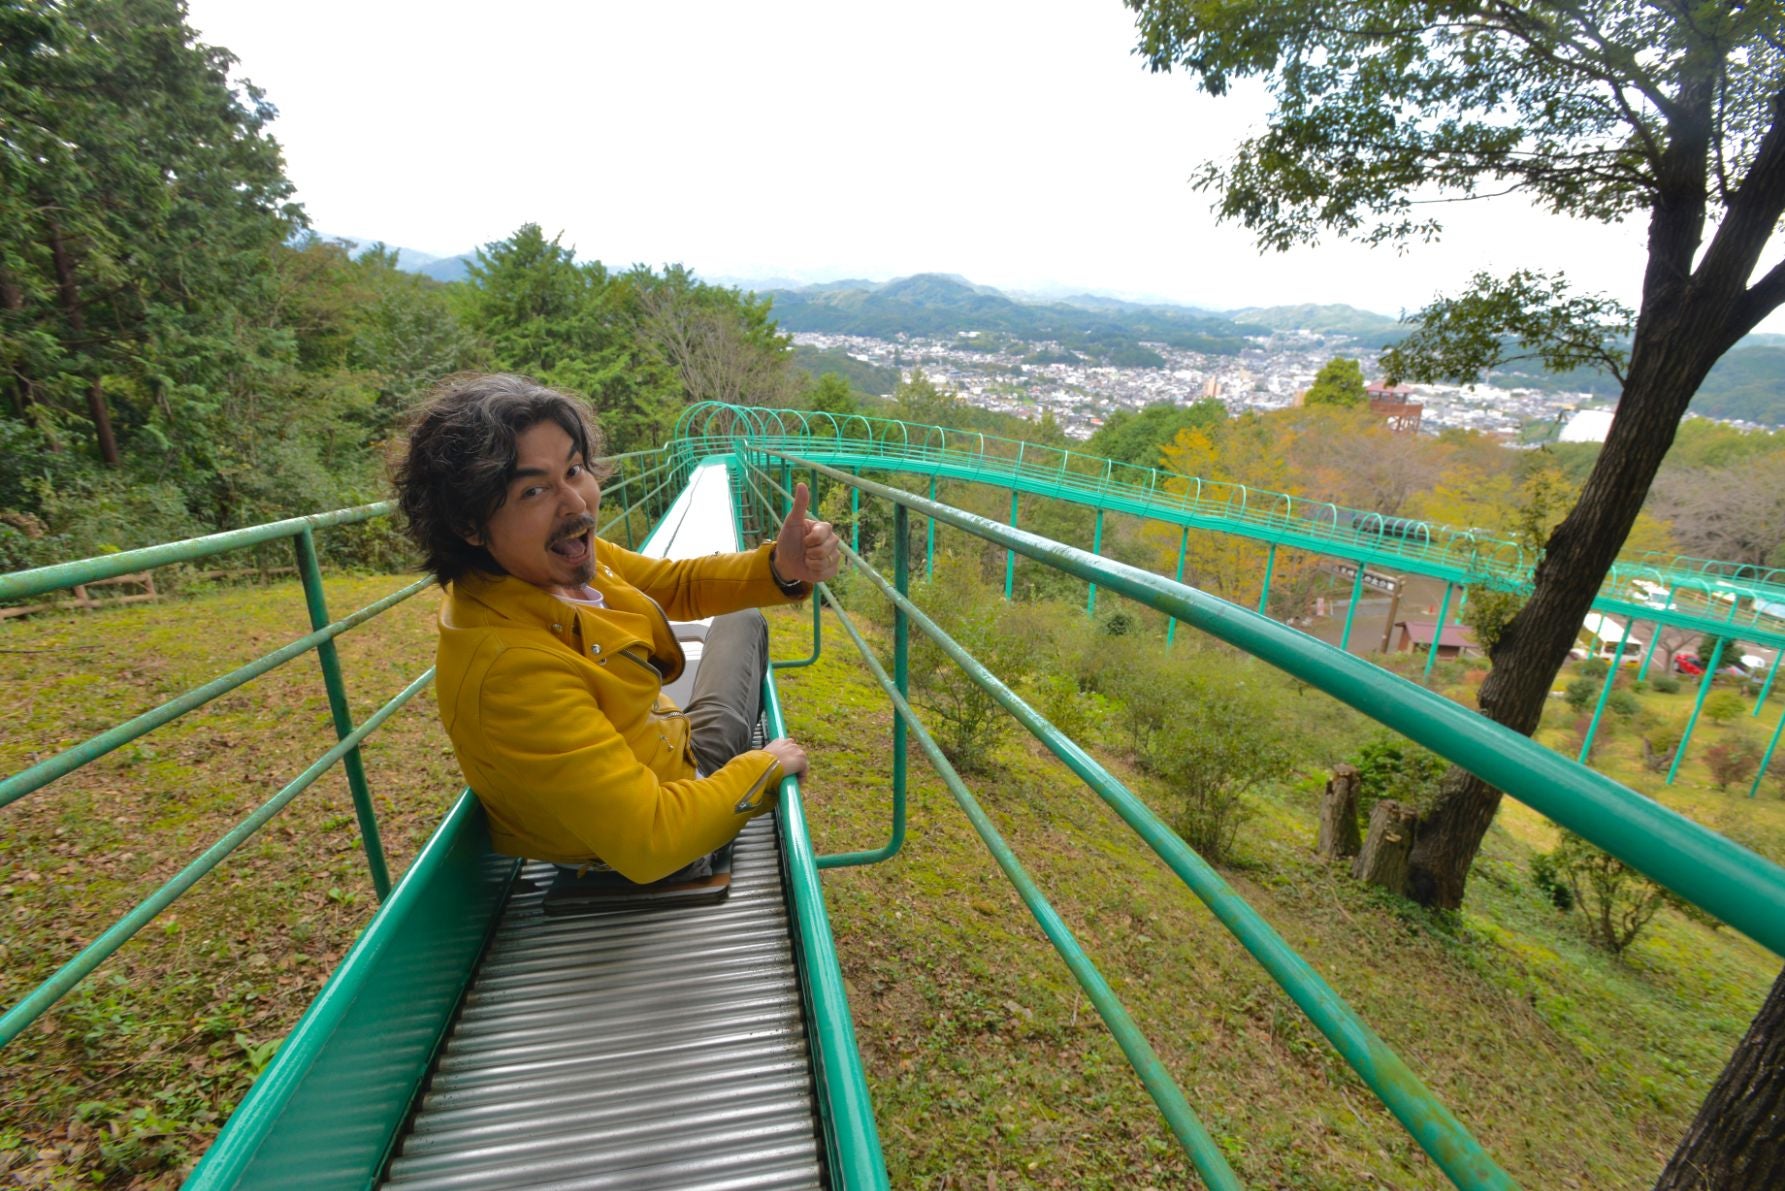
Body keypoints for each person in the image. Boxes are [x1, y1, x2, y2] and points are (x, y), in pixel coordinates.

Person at [394, 373, 841, 883]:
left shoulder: (547, 565)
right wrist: (763, 766)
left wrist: (781, 568)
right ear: (468, 525)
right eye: (534, 490)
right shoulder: (511, 671)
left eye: (575, 469)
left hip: (664, 748)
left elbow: (672, 585)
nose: (577, 504)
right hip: (652, 846)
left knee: (743, 618)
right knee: (745, 682)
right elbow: (653, 839)